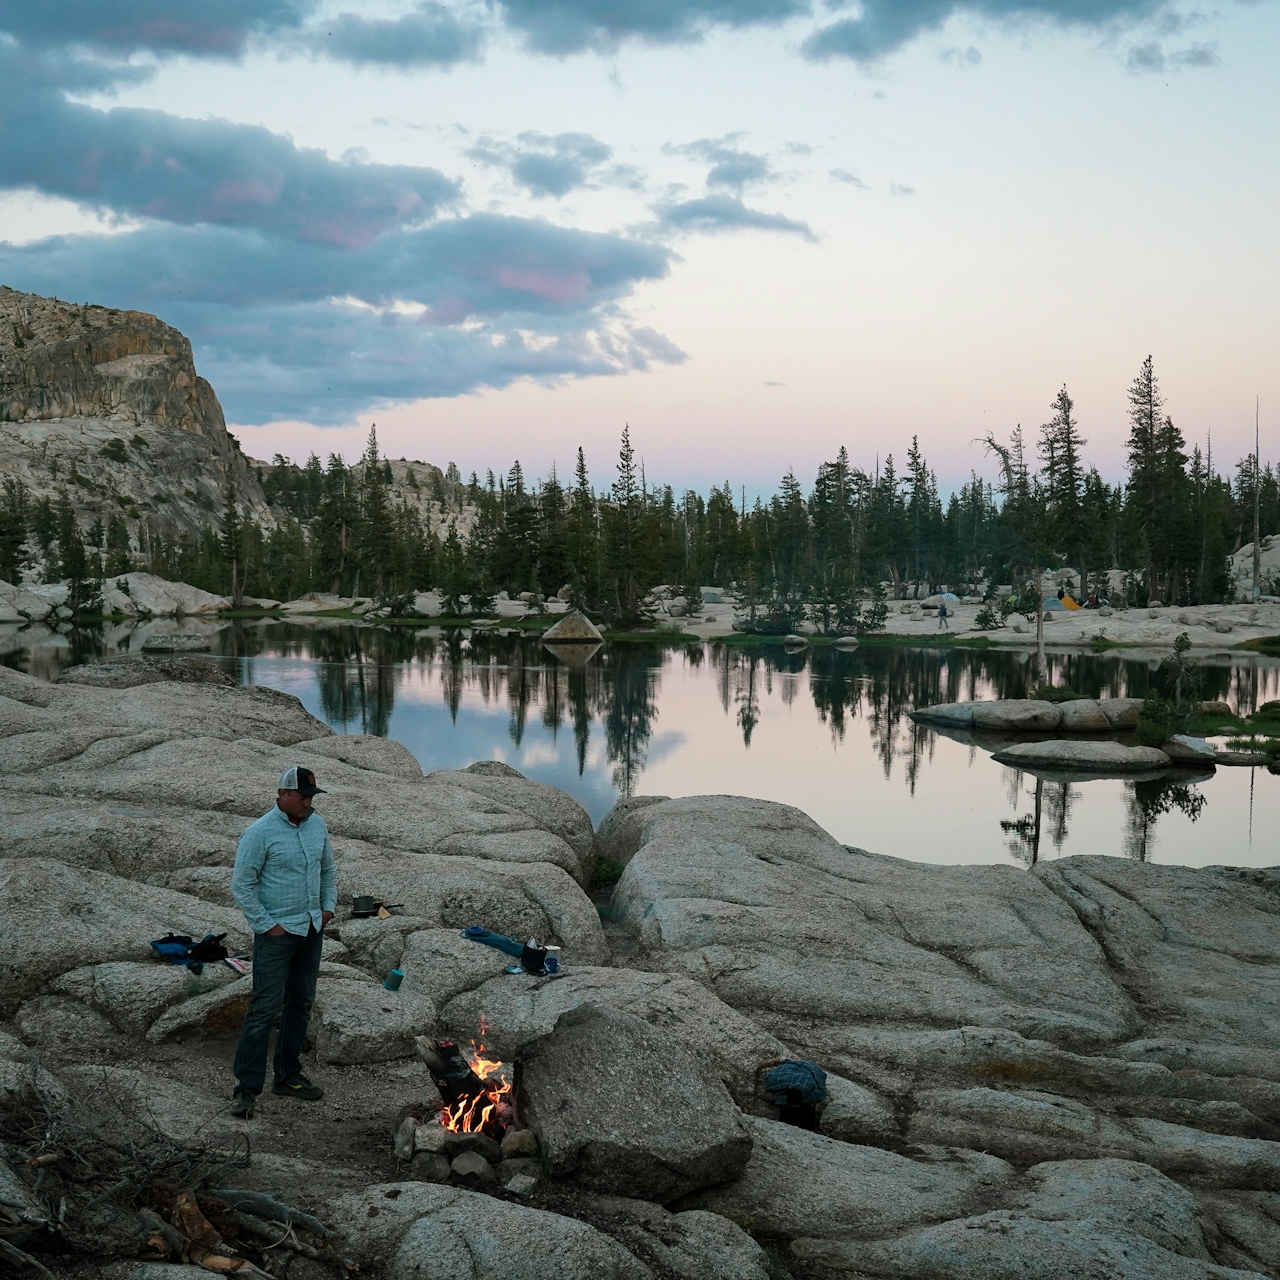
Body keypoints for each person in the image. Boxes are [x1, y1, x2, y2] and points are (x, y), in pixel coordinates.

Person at [229, 766, 336, 1119]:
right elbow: (241, 885)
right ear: (284, 794)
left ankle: (287, 1075)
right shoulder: (259, 833)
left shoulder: (316, 825)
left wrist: (327, 909)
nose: (309, 802)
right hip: (277, 934)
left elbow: (328, 869)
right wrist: (267, 926)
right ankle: (246, 1088)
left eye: (311, 797)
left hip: (310, 928)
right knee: (263, 1009)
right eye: (303, 797)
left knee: (301, 1003)